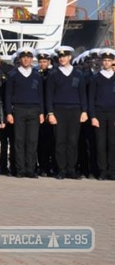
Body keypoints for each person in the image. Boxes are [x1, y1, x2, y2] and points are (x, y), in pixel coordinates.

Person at [45, 46, 88, 179]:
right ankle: (61, 169)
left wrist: (84, 111)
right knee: (60, 141)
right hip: (59, 110)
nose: (62, 58)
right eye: (60, 57)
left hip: (75, 110)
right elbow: (49, 95)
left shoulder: (78, 74)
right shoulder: (53, 74)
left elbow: (82, 94)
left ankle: (71, 169)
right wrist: (50, 113)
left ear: (70, 57)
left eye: (65, 56)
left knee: (73, 141)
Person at [5, 47, 44, 178]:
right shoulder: (13, 75)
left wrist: (41, 112)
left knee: (32, 141)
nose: (26, 59)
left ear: (32, 59)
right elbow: (8, 95)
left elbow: (40, 96)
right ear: (20, 59)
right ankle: (20, 169)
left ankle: (30, 169)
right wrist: (9, 113)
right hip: (19, 110)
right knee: (19, 140)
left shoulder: (37, 76)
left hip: (34, 110)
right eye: (23, 57)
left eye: (28, 57)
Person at [89, 48, 115, 180]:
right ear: (101, 62)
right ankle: (102, 171)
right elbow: (91, 99)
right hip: (99, 113)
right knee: (100, 144)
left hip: (113, 114)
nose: (106, 63)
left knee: (112, 143)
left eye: (109, 60)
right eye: (104, 60)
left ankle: (112, 170)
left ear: (113, 62)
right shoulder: (96, 78)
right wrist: (93, 116)